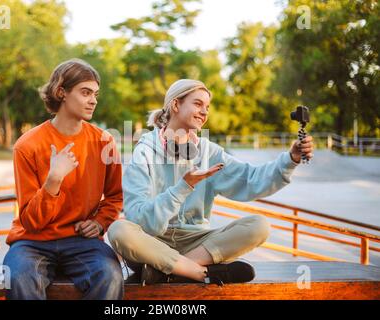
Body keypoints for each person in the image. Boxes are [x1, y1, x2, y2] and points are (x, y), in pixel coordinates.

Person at [108, 79, 314, 285]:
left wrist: (291, 159)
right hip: (152, 244)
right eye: (198, 104)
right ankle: (200, 273)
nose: (205, 112)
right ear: (176, 105)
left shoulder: (209, 152)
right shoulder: (144, 152)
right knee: (118, 230)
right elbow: (139, 219)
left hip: (198, 244)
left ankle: (171, 271)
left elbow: (251, 180)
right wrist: (183, 187)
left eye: (207, 107)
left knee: (259, 225)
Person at [3, 59, 124, 299]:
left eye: (95, 94)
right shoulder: (27, 145)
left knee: (110, 275)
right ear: (62, 93)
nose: (93, 100)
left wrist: (100, 221)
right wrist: (53, 180)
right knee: (17, 277)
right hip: (31, 242)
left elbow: (115, 196)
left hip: (82, 241)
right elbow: (31, 222)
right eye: (85, 92)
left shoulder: (104, 142)